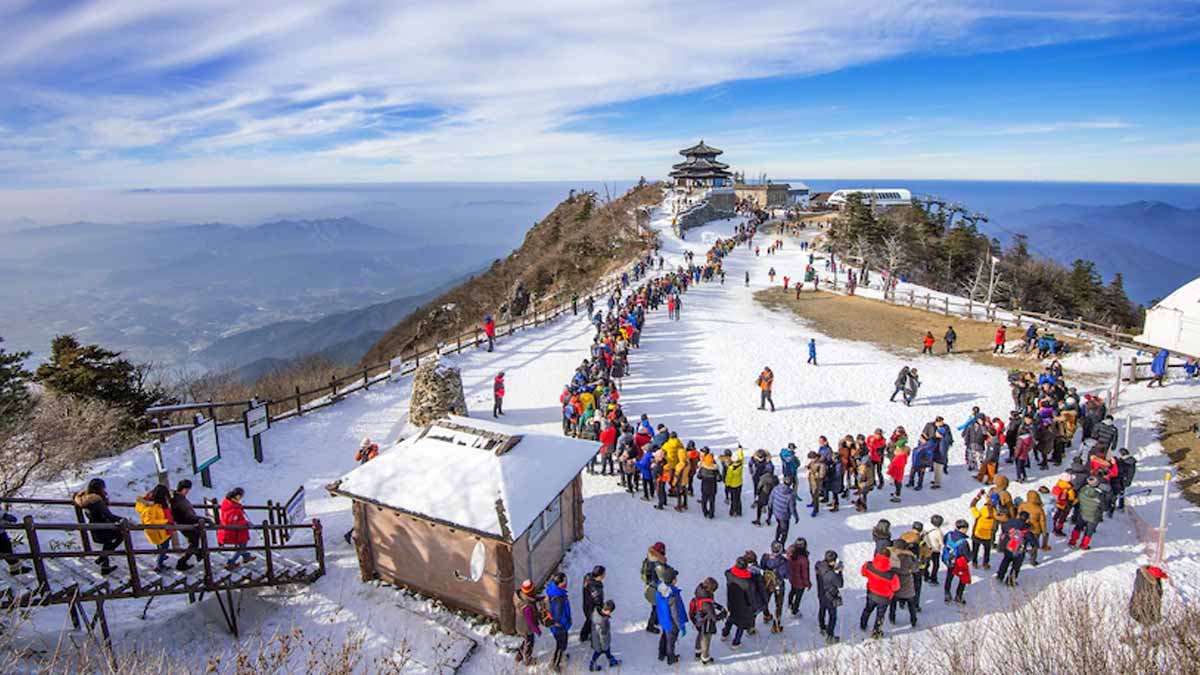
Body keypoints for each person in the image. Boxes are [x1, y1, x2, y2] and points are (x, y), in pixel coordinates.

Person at [73, 478, 124, 574]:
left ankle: (105, 566)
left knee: (108, 543)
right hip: (103, 528)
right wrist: (124, 519)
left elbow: (76, 497)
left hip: (95, 528)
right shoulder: (97, 501)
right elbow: (109, 515)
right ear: (99, 489)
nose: (104, 490)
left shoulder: (85, 499)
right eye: (103, 488)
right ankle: (102, 558)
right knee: (121, 534)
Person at [134, 484, 175, 573]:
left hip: (160, 531)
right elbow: (149, 522)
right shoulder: (152, 507)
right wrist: (164, 522)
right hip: (159, 531)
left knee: (162, 546)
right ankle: (159, 564)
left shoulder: (153, 504)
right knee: (164, 546)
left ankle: (161, 556)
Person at [169, 479, 209, 571]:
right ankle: (182, 562)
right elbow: (188, 516)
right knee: (194, 543)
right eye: (187, 489)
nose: (187, 492)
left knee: (196, 539)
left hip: (185, 523)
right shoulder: (179, 500)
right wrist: (204, 519)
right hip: (185, 524)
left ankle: (198, 554)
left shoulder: (178, 498)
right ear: (183, 489)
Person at [860, 551, 900, 639]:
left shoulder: (869, 566)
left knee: (867, 609)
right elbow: (896, 588)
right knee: (880, 615)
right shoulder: (892, 575)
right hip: (884, 598)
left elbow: (863, 572)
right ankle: (876, 632)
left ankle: (863, 624)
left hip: (871, 593)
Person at [721, 557, 756, 649]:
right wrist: (752, 606)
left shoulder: (729, 574)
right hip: (742, 607)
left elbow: (728, 571)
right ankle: (736, 643)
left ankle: (725, 633)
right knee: (741, 624)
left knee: (730, 618)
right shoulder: (747, 583)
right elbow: (750, 597)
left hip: (731, 601)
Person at [690, 577, 725, 665]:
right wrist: (724, 614)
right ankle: (705, 658)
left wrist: (719, 606)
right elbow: (714, 618)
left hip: (699, 620)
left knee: (699, 635)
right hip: (707, 624)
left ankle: (697, 652)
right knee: (706, 641)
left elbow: (711, 602)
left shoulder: (700, 591)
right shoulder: (707, 604)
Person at [655, 567, 686, 665]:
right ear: (673, 580)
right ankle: (671, 658)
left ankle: (661, 653)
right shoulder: (672, 596)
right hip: (672, 623)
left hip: (664, 619)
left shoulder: (660, 589)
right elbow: (675, 614)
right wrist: (681, 625)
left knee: (664, 636)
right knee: (671, 642)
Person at [996, 511, 1037, 586]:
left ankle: (1000, 576)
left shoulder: (1010, 522)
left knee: (1005, 561)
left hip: (1009, 546)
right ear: (1027, 519)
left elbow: (1003, 526)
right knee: (1016, 566)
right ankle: (1010, 581)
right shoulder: (1026, 529)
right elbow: (1034, 542)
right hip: (1019, 551)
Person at [218, 487, 254, 570]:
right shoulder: (232, 509)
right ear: (237, 496)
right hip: (236, 531)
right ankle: (230, 562)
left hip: (237, 531)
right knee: (241, 547)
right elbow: (232, 522)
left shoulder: (230, 504)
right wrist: (245, 523)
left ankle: (246, 557)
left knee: (242, 545)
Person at [815, 550, 844, 644]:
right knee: (833, 616)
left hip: (821, 593)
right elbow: (840, 584)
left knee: (822, 609)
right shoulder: (832, 575)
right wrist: (839, 572)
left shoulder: (819, 565)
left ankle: (822, 627)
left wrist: (832, 568)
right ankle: (830, 636)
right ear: (832, 561)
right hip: (830, 596)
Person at [1069, 475, 1105, 550]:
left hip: (1082, 513)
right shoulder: (1099, 496)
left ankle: (1072, 541)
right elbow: (1104, 507)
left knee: (1078, 527)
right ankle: (1084, 545)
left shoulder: (1082, 490)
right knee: (1089, 531)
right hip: (1093, 516)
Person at [760, 542, 789, 633]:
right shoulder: (783, 561)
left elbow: (762, 568)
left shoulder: (765, 557)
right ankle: (776, 625)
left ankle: (766, 615)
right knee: (778, 605)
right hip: (778, 584)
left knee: (765, 600)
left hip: (767, 583)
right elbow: (786, 575)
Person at [546, 572, 572, 671]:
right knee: (561, 645)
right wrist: (566, 623)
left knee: (561, 643)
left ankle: (561, 656)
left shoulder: (553, 590)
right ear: (559, 584)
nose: (566, 583)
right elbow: (558, 617)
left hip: (556, 626)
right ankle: (555, 664)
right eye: (564, 581)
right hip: (560, 627)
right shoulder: (559, 599)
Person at [641, 542, 670, 633]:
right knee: (657, 607)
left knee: (656, 606)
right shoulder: (657, 563)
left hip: (649, 586)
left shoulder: (650, 558)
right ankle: (650, 625)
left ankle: (656, 620)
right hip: (655, 588)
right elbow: (663, 576)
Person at [514, 580, 543, 665]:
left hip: (520, 624)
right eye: (533, 589)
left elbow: (531, 598)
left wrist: (539, 598)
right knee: (529, 644)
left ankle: (519, 655)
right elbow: (530, 621)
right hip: (526, 628)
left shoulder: (520, 595)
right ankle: (528, 660)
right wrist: (537, 630)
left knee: (525, 641)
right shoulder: (526, 607)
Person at [942, 520, 972, 604]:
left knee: (949, 577)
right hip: (958, 562)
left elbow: (944, 542)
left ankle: (947, 593)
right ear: (963, 529)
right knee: (963, 578)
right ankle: (958, 596)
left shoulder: (949, 535)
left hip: (948, 559)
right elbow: (967, 555)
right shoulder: (963, 542)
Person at [968, 489, 997, 569]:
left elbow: (972, 505)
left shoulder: (980, 513)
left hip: (977, 534)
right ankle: (985, 563)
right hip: (987, 536)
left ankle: (974, 562)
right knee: (987, 551)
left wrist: (978, 497)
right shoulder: (995, 513)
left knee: (975, 549)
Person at [588, 600, 619, 672]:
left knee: (606, 652)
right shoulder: (604, 623)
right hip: (601, 644)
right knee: (601, 651)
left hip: (595, 639)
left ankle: (611, 661)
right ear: (608, 611)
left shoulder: (596, 613)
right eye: (611, 611)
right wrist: (604, 647)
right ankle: (592, 665)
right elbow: (603, 637)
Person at [768, 477, 799, 544]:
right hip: (784, 516)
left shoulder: (776, 488)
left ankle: (776, 539)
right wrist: (796, 517)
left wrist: (770, 508)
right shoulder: (790, 495)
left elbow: (771, 499)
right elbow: (792, 508)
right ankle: (781, 546)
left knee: (779, 525)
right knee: (784, 532)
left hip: (776, 512)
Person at [579, 565, 606, 643]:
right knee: (591, 622)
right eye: (604, 574)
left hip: (586, 605)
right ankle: (584, 636)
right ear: (600, 575)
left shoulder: (588, 577)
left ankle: (584, 635)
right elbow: (598, 601)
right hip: (591, 608)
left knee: (589, 621)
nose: (605, 575)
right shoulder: (595, 588)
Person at [785, 538, 811, 616]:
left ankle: (790, 604)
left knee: (792, 590)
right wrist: (807, 583)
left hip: (792, 577)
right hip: (800, 582)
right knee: (798, 597)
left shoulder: (790, 552)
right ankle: (794, 610)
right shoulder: (803, 559)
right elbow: (805, 574)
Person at [722, 448, 744, 517]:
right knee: (738, 498)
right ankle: (739, 511)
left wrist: (727, 485)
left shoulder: (731, 468)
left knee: (733, 499)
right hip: (739, 483)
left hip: (733, 485)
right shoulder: (741, 464)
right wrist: (740, 450)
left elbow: (728, 478)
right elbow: (741, 457)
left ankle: (733, 511)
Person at [923, 514, 945, 584]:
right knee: (936, 565)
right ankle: (933, 578)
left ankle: (926, 576)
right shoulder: (938, 532)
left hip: (927, 548)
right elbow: (941, 542)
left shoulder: (926, 527)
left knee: (926, 563)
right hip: (935, 550)